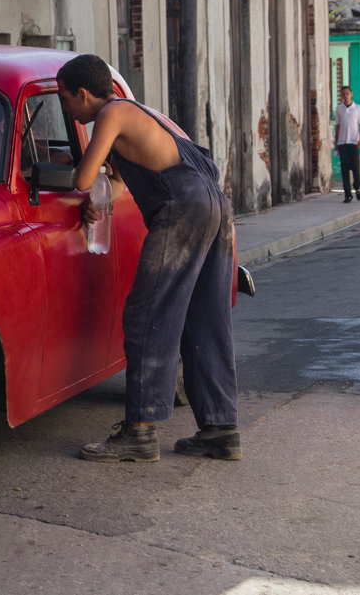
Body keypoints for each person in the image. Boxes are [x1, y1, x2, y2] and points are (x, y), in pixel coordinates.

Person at [55, 54, 240, 463]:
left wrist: (75, 167)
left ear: (83, 94)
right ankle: (220, 429)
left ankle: (139, 431)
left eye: (66, 99)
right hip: (211, 203)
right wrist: (104, 196)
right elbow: (117, 185)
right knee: (204, 318)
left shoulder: (112, 114)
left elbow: (83, 180)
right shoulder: (138, 115)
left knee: (147, 315)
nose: (67, 109)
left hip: (183, 207)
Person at [334, 85, 360, 203]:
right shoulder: (339, 109)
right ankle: (348, 194)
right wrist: (336, 142)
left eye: (347, 93)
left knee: (355, 168)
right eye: (343, 94)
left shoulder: (357, 108)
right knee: (344, 170)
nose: (345, 96)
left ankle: (357, 187)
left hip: (353, 142)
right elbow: (337, 126)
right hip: (342, 143)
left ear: (351, 94)